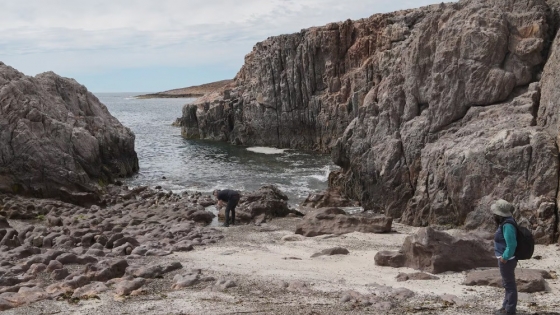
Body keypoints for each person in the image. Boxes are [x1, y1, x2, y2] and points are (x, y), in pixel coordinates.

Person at [491, 199, 518, 315]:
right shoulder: (506, 222)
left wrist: (505, 257)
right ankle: (505, 307)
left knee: (509, 285)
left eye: (495, 213)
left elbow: (512, 244)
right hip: (506, 259)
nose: (493, 215)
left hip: (507, 260)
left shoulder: (507, 225)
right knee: (507, 284)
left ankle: (510, 310)